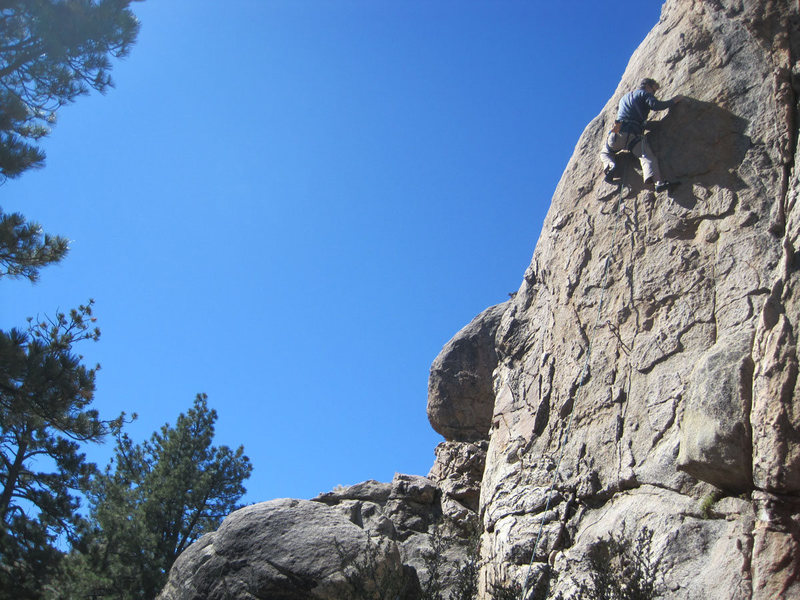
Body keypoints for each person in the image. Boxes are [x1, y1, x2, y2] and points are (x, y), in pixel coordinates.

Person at [600, 78, 682, 191]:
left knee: (605, 152)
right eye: (653, 90)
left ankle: (611, 166)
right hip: (633, 137)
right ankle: (658, 182)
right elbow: (656, 105)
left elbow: (630, 115)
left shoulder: (624, 98)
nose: (654, 93)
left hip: (617, 134)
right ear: (648, 86)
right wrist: (673, 101)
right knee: (647, 156)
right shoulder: (644, 94)